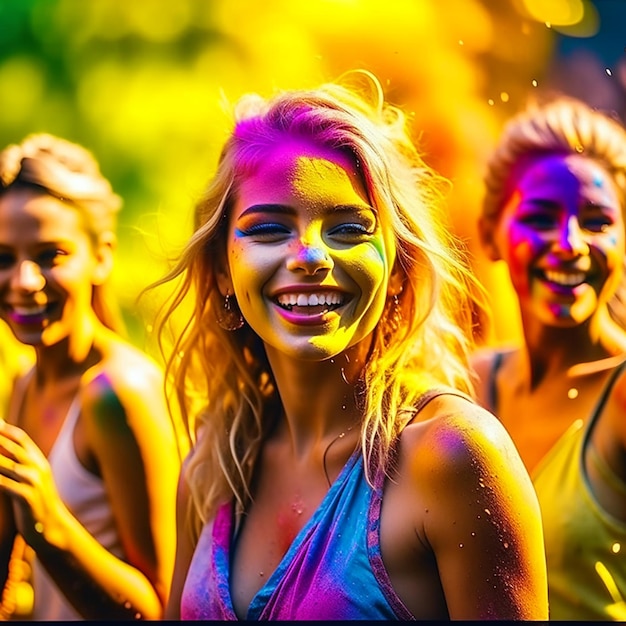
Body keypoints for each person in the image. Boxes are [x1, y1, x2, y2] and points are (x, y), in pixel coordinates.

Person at [154, 71, 548, 620]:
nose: (310, 256)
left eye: (348, 228)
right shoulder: (214, 463)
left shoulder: (449, 456)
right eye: (268, 229)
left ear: (398, 270)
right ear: (222, 268)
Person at [0, 133, 181, 620]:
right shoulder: (24, 382)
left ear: (100, 255)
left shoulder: (118, 394)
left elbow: (162, 608)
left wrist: (50, 525)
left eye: (49, 256)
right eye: (3, 259)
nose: (23, 282)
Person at [472, 95, 626, 620]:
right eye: (540, 217)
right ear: (491, 233)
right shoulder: (459, 385)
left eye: (597, 221)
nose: (569, 244)